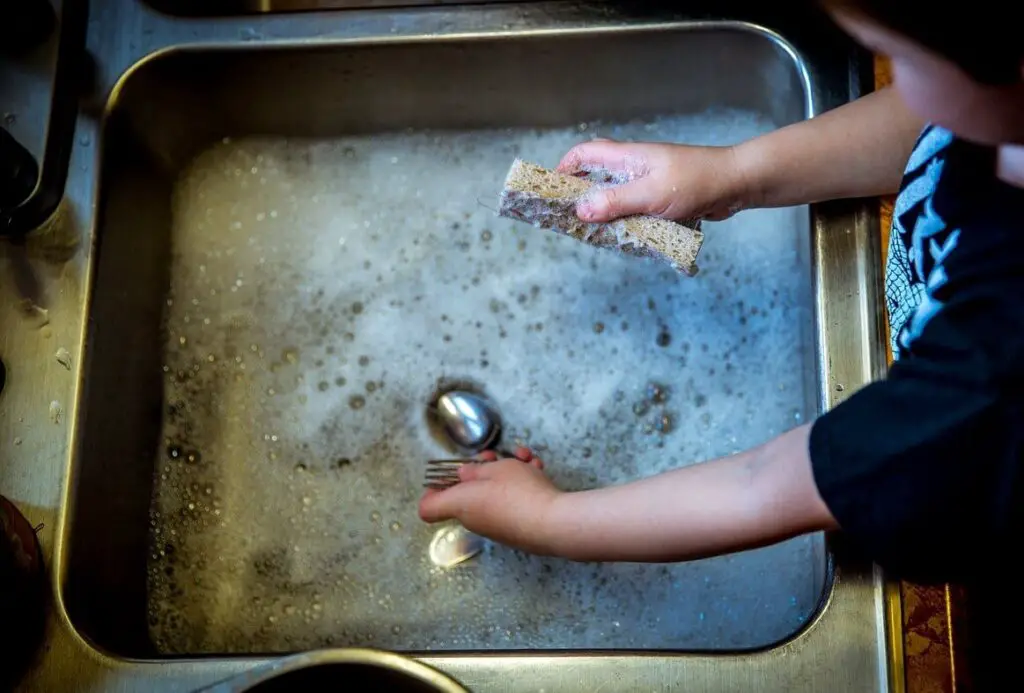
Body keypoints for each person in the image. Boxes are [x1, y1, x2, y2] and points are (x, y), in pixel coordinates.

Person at [419, 0, 1024, 585]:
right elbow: (932, 127)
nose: (895, 82)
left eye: (897, 57)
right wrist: (732, 174)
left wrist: (549, 522)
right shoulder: (1000, 121)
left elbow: (767, 485)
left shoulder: (989, 388)